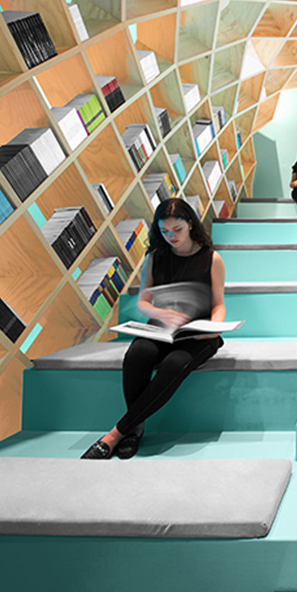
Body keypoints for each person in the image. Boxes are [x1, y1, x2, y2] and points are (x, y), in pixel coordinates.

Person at [81, 197, 226, 459]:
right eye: (165, 231)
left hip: (198, 334)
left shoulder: (212, 258)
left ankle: (116, 434)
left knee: (174, 363)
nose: (171, 237)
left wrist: (214, 328)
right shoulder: (155, 257)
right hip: (161, 328)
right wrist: (162, 314)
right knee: (138, 353)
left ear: (190, 224)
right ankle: (135, 429)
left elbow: (218, 304)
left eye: (177, 229)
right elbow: (143, 302)